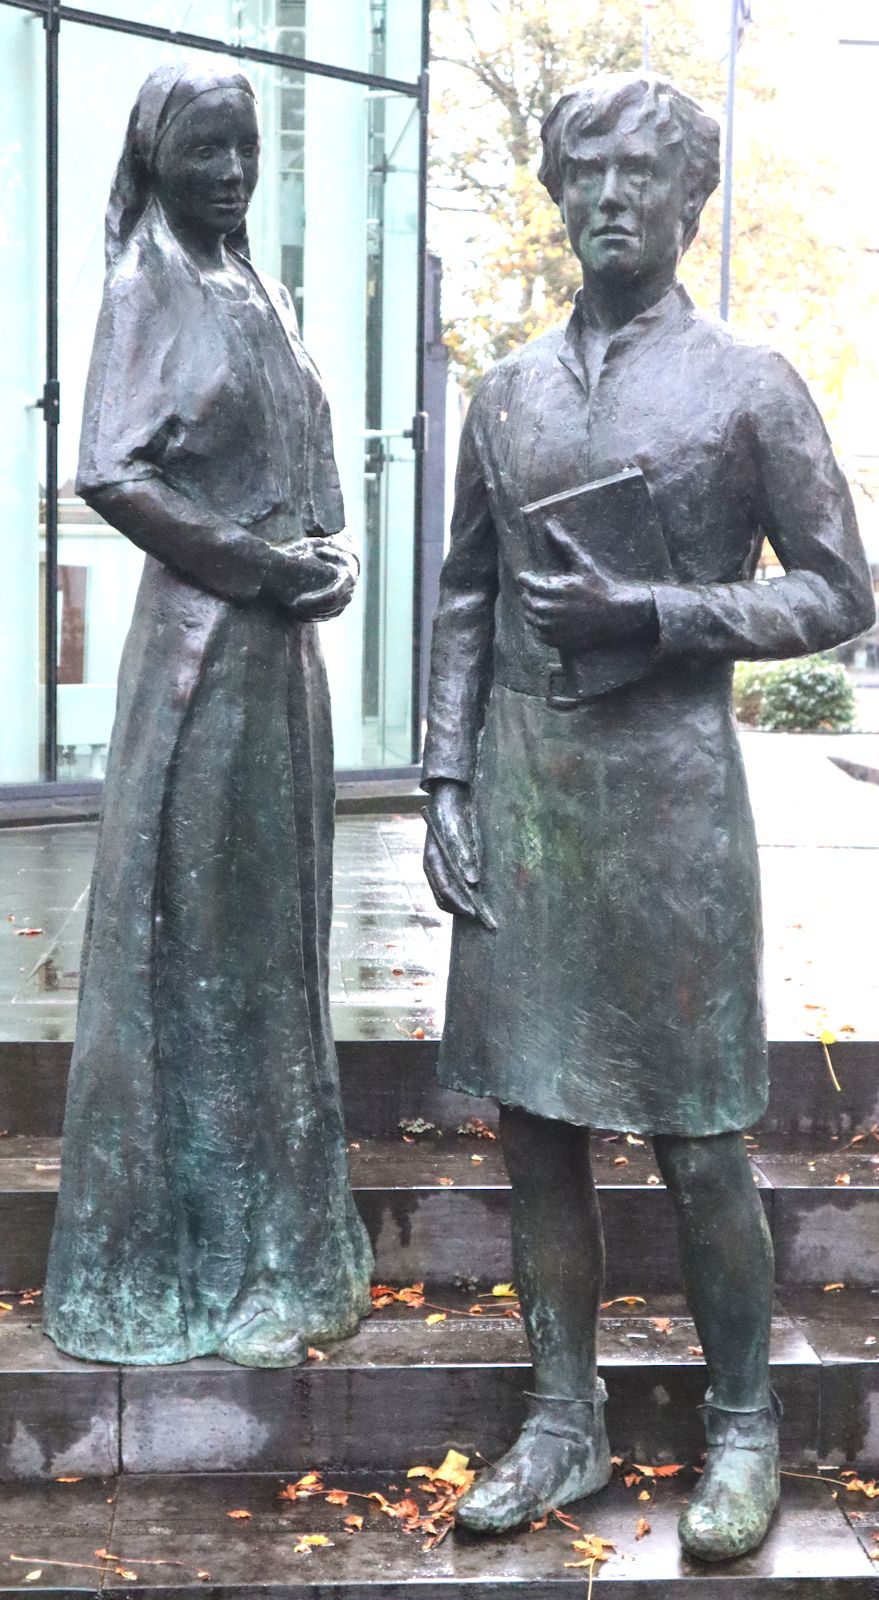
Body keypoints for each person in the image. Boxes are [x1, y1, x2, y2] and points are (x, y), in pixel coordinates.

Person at [421, 73, 874, 1560]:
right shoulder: (506, 391)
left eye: (643, 175)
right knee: (536, 1127)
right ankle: (565, 1417)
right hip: (525, 788)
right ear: (560, 196)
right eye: (589, 175)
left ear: (692, 201)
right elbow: (466, 600)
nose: (612, 198)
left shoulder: (751, 381)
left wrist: (665, 609)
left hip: (673, 799)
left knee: (699, 1133)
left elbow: (835, 590)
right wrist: (441, 779)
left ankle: (744, 1426)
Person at [43, 64, 373, 1369]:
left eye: (244, 151)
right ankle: (195, 1256)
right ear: (158, 158)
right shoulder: (144, 288)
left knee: (275, 947)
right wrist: (254, 564)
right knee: (204, 953)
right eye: (206, 152)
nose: (231, 173)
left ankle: (284, 1249)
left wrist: (327, 564)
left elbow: (311, 481)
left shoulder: (270, 294)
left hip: (281, 659)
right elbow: (108, 467)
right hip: (203, 657)